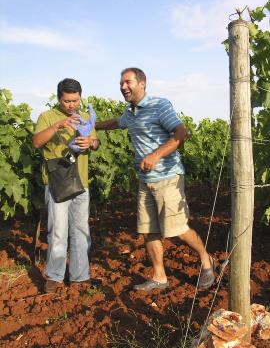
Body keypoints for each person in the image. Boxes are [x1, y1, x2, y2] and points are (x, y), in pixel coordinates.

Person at [95, 67, 215, 291]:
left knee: (178, 228)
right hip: (144, 180)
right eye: (121, 83)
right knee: (148, 230)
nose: (123, 87)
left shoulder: (159, 105)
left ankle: (207, 260)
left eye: (128, 82)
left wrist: (156, 154)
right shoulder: (130, 112)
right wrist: (91, 125)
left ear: (142, 83)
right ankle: (159, 277)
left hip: (167, 177)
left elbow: (181, 133)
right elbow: (116, 123)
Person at [33, 78, 100, 293]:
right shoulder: (47, 117)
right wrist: (57, 125)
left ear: (80, 96)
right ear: (59, 98)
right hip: (57, 183)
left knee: (81, 230)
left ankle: (80, 276)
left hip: (81, 182)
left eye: (75, 100)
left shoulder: (86, 117)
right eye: (67, 101)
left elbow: (96, 143)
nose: (71, 105)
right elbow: (36, 142)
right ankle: (54, 276)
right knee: (58, 231)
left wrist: (90, 142)